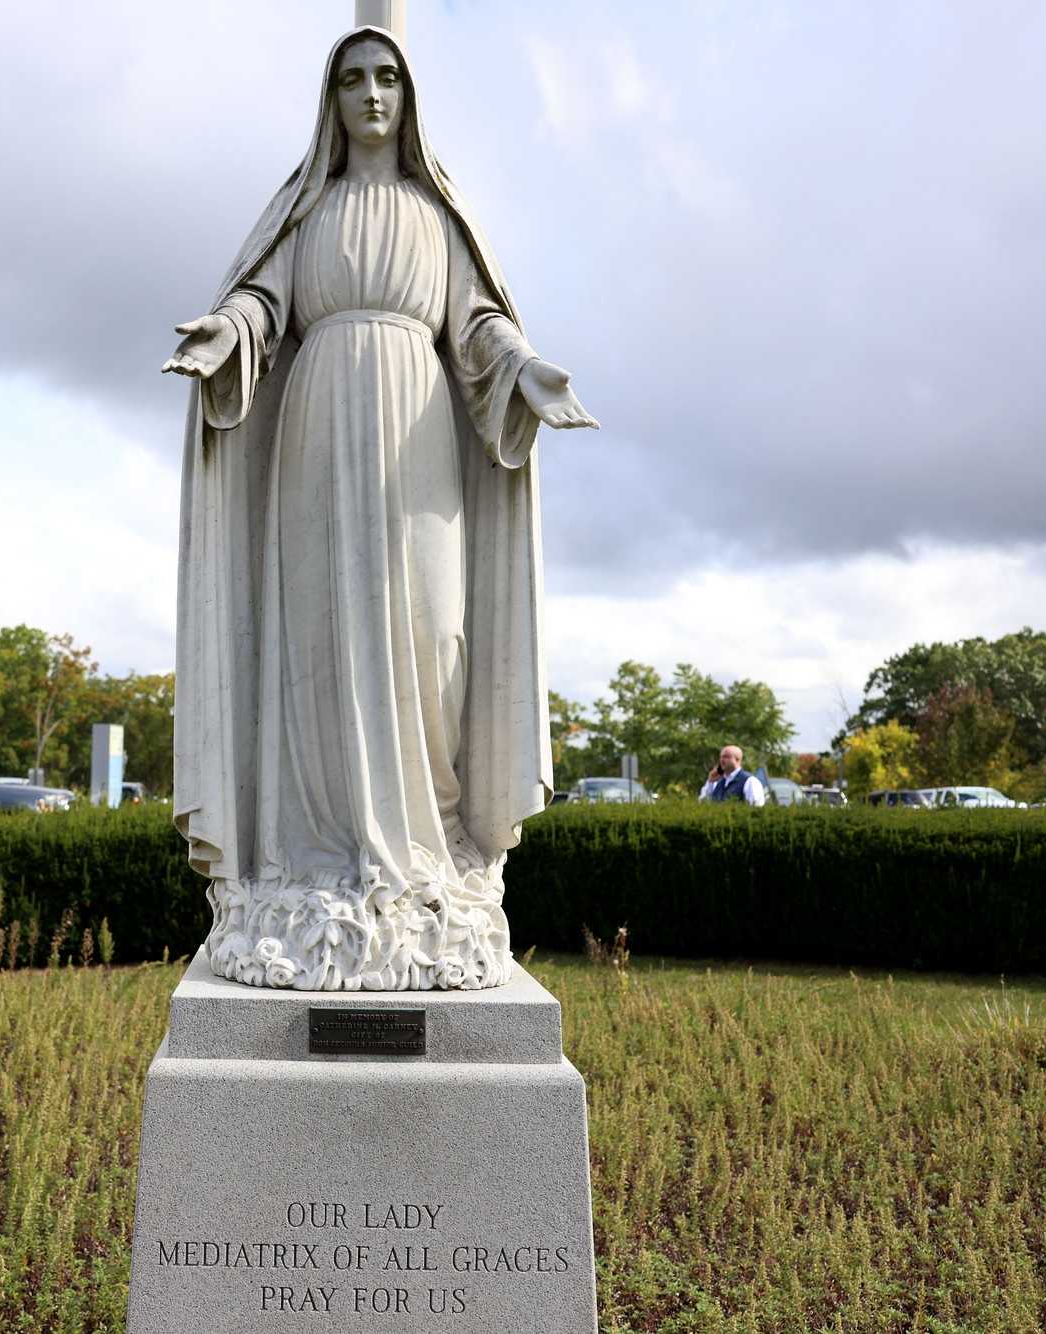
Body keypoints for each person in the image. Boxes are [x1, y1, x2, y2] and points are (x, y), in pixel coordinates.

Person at [163, 25, 599, 992]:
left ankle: (428, 857)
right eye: (353, 78)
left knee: (433, 636)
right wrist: (225, 330)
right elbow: (263, 304)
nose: (371, 94)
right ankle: (315, 859)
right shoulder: (307, 213)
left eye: (387, 77)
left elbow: (476, 323)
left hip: (417, 434)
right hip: (317, 433)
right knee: (317, 638)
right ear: (332, 98)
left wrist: (523, 370)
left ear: (409, 98)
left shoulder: (436, 217)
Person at [699, 746, 768, 806]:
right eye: (721, 757)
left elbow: (756, 809)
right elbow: (702, 804)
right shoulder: (718, 782)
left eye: (726, 757)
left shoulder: (750, 781)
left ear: (737, 759)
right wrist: (710, 781)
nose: (722, 760)